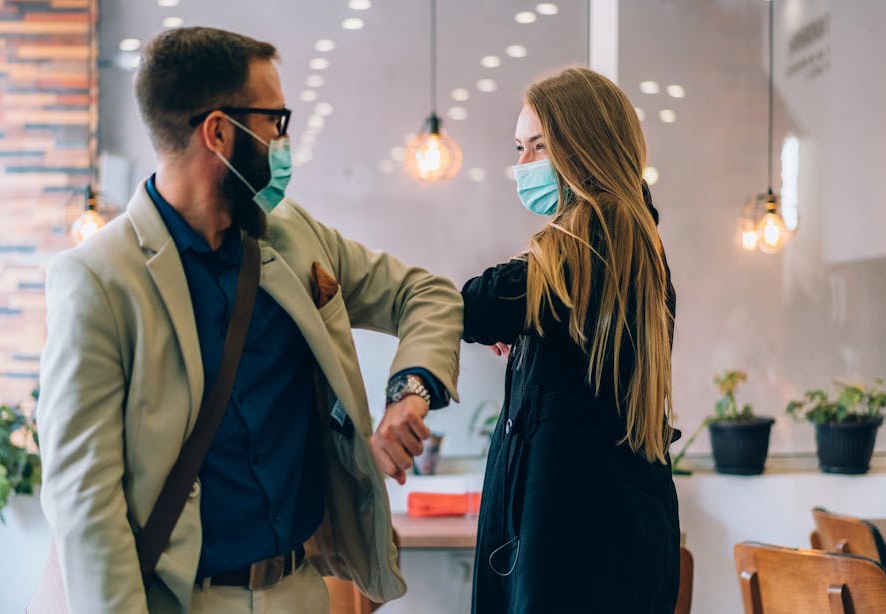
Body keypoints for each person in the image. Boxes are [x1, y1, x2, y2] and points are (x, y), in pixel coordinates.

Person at [37, 27, 462, 614]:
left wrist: (410, 391)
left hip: (302, 589)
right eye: (275, 121)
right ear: (219, 132)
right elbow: (85, 500)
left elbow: (427, 294)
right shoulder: (99, 279)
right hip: (186, 600)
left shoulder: (293, 235)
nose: (284, 141)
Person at [462, 66, 680, 613]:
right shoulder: (632, 240)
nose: (523, 166)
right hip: (608, 544)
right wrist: (534, 338)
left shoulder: (592, 241)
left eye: (539, 147)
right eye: (519, 148)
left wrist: (513, 317)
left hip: (575, 555)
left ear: (584, 148)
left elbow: (475, 305)